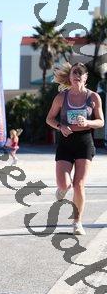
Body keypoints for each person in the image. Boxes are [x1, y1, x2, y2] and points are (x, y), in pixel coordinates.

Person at [46, 62, 104, 235]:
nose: (77, 76)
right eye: (74, 73)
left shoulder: (93, 97)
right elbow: (49, 119)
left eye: (80, 74)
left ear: (85, 78)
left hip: (84, 142)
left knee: (79, 185)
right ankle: (62, 189)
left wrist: (88, 122)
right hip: (66, 141)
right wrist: (60, 126)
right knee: (65, 184)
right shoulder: (61, 97)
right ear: (70, 77)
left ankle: (77, 222)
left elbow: (101, 122)